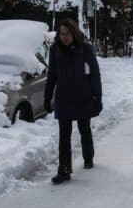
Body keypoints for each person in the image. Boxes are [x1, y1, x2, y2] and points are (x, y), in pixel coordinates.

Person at [44, 19, 103, 184]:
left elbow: (94, 74)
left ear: (74, 33)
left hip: (82, 96)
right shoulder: (55, 50)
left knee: (84, 128)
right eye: (61, 34)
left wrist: (97, 97)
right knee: (64, 135)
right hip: (63, 98)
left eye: (68, 33)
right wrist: (47, 97)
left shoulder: (85, 49)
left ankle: (88, 157)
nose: (65, 37)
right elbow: (52, 76)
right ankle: (64, 170)